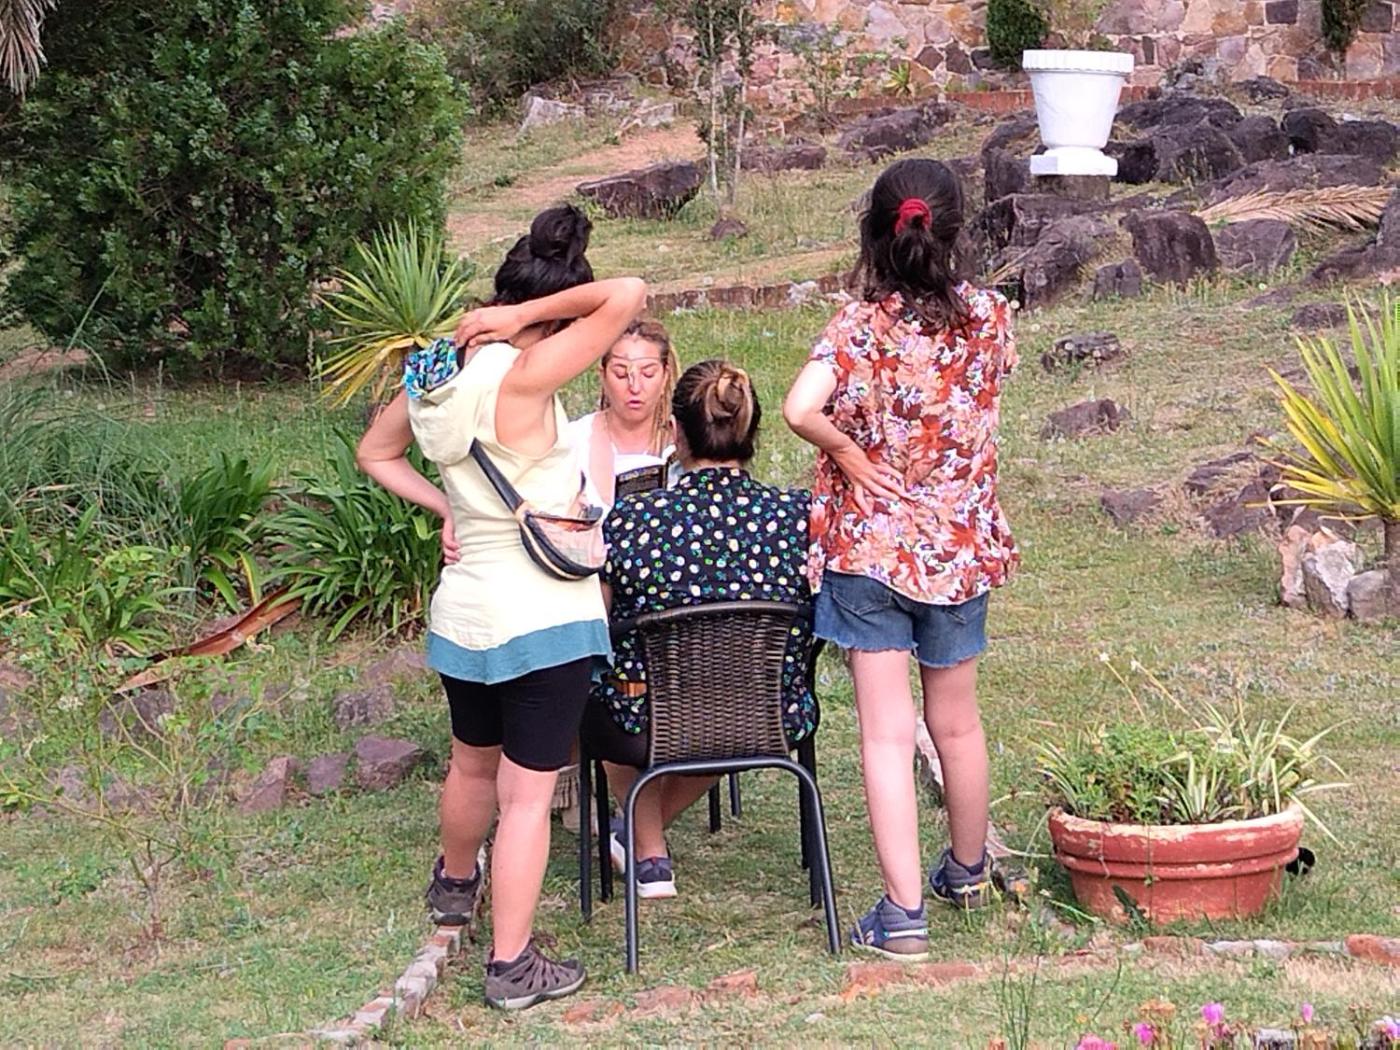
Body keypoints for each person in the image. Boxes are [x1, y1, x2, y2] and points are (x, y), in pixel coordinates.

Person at [357, 203, 647, 1010]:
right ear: (551, 310)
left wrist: (447, 508)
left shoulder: (436, 371)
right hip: (542, 616)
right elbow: (629, 293)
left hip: (465, 612)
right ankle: (512, 965)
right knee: (526, 796)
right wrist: (524, 321)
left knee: (470, 762)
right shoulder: (528, 371)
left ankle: (455, 886)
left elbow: (375, 451)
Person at [782, 157, 1018, 960]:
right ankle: (967, 871)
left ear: (875, 233)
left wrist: (847, 451)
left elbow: (799, 408)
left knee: (886, 735)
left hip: (871, 554)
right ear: (953, 229)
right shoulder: (990, 316)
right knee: (958, 722)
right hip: (958, 548)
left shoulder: (856, 328)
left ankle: (903, 914)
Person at [580, 359, 820, 899]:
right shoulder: (799, 516)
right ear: (752, 432)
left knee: (603, 684)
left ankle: (647, 849)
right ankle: (641, 839)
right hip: (768, 713)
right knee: (722, 699)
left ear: (675, 433)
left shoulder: (633, 520)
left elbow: (599, 621)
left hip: (647, 719)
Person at [567, 318, 680, 509]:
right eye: (620, 374)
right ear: (603, 376)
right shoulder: (573, 442)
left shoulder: (685, 445)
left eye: (648, 374)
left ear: (665, 377)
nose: (635, 387)